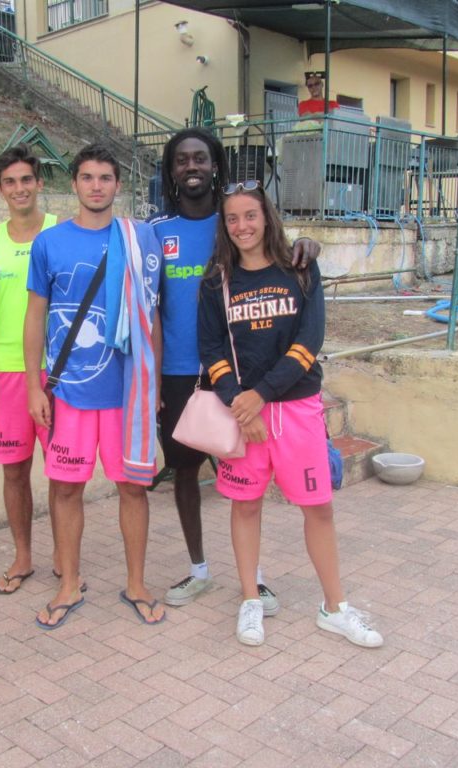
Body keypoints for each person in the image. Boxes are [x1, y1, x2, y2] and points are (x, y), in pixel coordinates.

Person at [196, 181, 383, 649]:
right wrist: (242, 403)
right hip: (243, 412)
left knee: (318, 507)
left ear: (267, 218)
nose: (242, 226)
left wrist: (260, 395)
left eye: (251, 216)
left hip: (295, 408)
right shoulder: (215, 281)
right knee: (245, 505)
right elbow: (212, 349)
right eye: (233, 218)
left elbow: (309, 341)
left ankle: (335, 607)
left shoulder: (299, 268)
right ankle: (249, 600)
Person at [153, 128, 320, 613]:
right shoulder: (156, 230)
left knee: (249, 478)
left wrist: (308, 242)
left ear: (215, 167)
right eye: (182, 160)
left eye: (200, 159)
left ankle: (256, 578)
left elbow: (282, 254)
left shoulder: (237, 221)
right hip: (182, 374)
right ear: (171, 170)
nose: (191, 167)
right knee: (185, 470)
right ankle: (199, 569)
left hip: (241, 378)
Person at [25, 142, 164, 629]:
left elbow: (152, 317)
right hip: (70, 392)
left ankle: (137, 583)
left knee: (133, 488)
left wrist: (155, 385)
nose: (97, 186)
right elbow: (35, 316)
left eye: (105, 178)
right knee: (65, 489)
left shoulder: (139, 239)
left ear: (117, 185)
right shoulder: (50, 243)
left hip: (127, 391)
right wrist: (33, 386)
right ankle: (68, 584)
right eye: (87, 178)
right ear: (74, 184)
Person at [0, 145, 62, 595]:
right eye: (10, 182)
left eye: (27, 179)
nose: (19, 189)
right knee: (14, 472)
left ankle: (66, 556)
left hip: (56, 371)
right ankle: (23, 557)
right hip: (7, 372)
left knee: (63, 473)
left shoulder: (59, 230)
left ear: (40, 183)